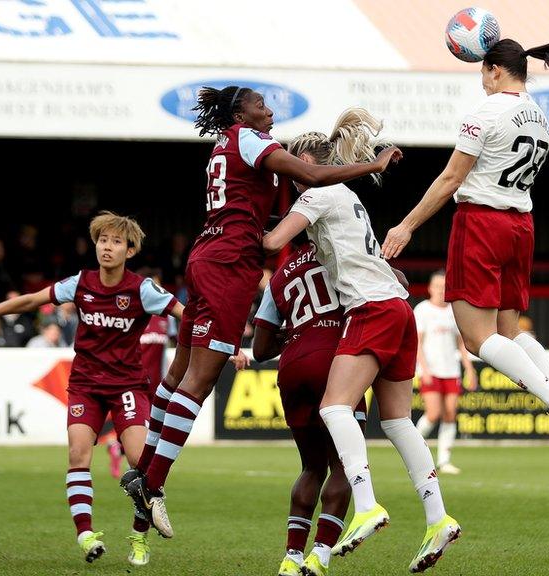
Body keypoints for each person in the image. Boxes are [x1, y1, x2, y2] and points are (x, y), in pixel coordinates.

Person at [123, 85, 401, 539]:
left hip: (207, 256)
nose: (270, 111)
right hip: (228, 266)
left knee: (175, 377)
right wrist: (372, 164)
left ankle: (144, 480)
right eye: (261, 105)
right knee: (200, 381)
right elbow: (309, 179)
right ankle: (151, 483)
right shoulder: (247, 140)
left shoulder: (230, 149)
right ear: (241, 113)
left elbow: (261, 212)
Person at [262, 110, 459, 573]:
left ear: (308, 162)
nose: (291, 178)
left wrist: (238, 231)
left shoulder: (318, 194)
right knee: (397, 422)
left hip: (370, 309)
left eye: (293, 167)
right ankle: (437, 517)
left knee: (334, 408)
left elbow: (273, 244)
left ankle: (367, 505)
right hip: (399, 307)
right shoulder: (347, 195)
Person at [380, 39, 549, 465]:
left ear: (494, 69)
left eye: (482, 74)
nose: (483, 82)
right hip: (521, 225)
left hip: (483, 222)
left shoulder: (486, 113)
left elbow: (451, 178)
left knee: (476, 338)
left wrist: (406, 225)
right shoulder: (540, 117)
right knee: (510, 331)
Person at [0, 212, 185, 567]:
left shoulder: (141, 289)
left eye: (116, 242)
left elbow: (187, 315)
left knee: (141, 466)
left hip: (128, 387)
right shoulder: (81, 283)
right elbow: (29, 301)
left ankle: (138, 536)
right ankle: (85, 535)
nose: (107, 247)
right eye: (103, 240)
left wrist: (224, 348)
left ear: (130, 250)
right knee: (78, 456)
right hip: (86, 386)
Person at [252, 241, 368, 576]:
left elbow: (260, 349)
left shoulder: (278, 277)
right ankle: (320, 554)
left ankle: (291, 557)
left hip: (292, 367)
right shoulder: (344, 251)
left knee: (311, 467)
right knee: (343, 466)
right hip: (335, 362)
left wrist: (297, 334)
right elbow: (399, 283)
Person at [414, 270, 477, 475]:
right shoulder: (422, 310)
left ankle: (444, 461)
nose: (441, 290)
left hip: (451, 370)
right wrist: (424, 369)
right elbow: (417, 344)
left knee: (450, 414)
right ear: (430, 288)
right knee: (433, 414)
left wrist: (469, 369)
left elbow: (461, 344)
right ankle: (412, 449)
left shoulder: (453, 311)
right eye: (438, 286)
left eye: (444, 287)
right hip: (431, 371)